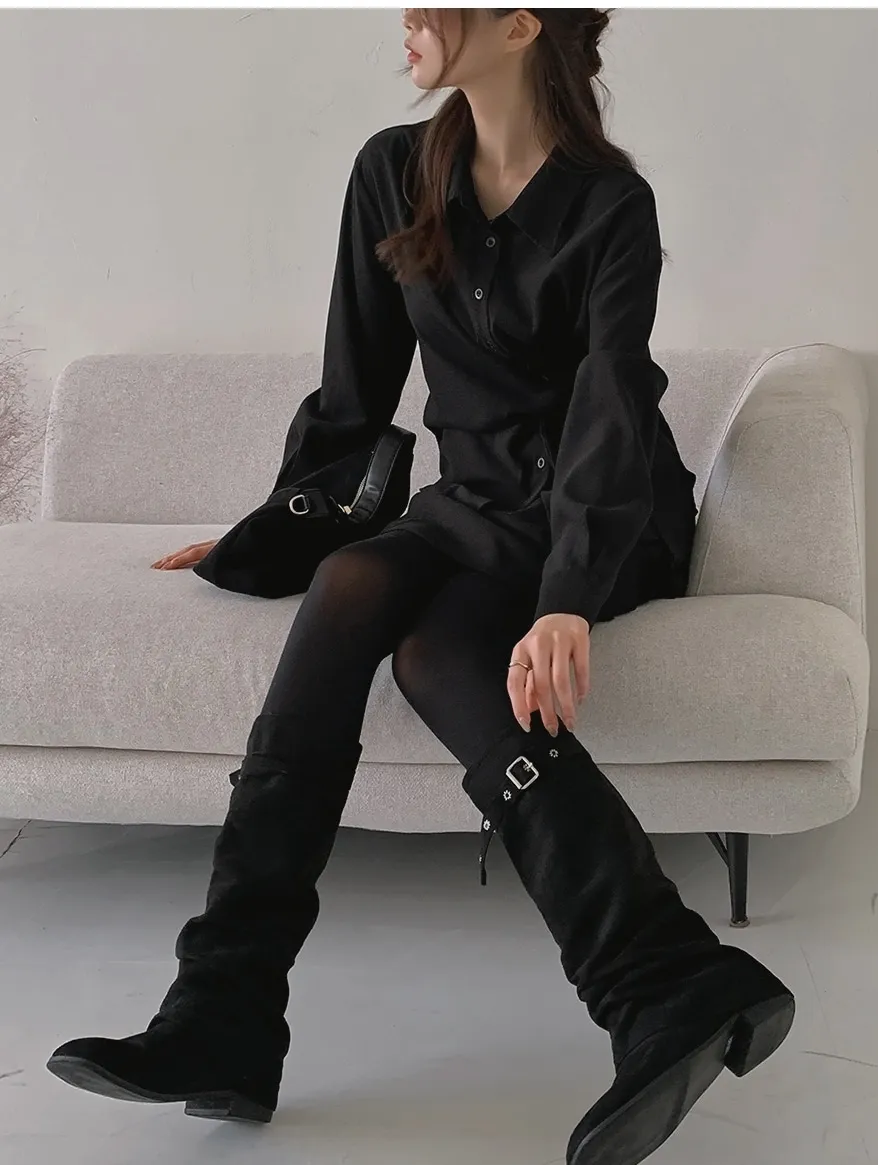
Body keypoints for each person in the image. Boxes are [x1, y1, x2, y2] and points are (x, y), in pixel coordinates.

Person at [46, 10, 795, 1164]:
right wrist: (268, 533)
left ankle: (657, 981)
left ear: (518, 23)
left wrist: (566, 594)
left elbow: (610, 402)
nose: (404, 17)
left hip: (603, 510)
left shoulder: (608, 205)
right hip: (474, 499)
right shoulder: (393, 173)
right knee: (348, 579)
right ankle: (220, 1012)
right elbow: (354, 388)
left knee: (439, 654)